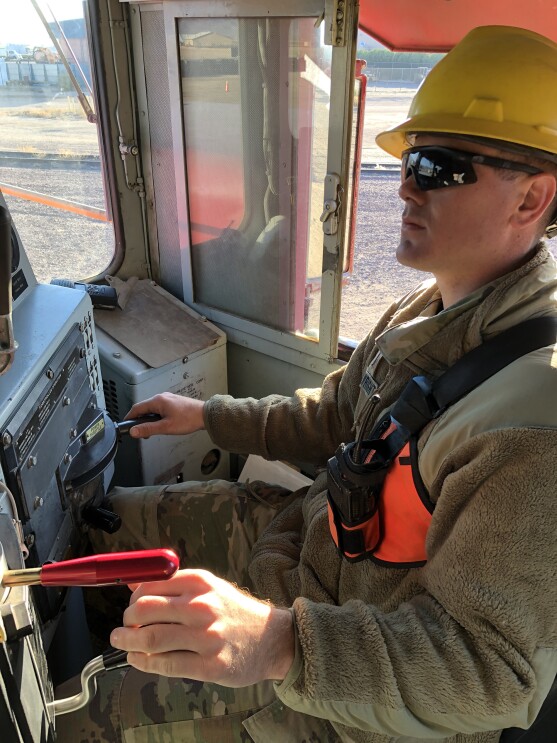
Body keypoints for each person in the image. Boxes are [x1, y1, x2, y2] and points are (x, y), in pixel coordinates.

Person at [56, 25, 557, 743]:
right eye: (411, 159)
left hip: (339, 692)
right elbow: (335, 416)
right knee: (95, 539)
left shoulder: (531, 420)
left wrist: (276, 643)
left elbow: (489, 675)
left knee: (73, 717)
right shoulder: (428, 307)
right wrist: (205, 414)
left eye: (440, 166)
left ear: (530, 199)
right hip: (299, 547)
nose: (406, 184)